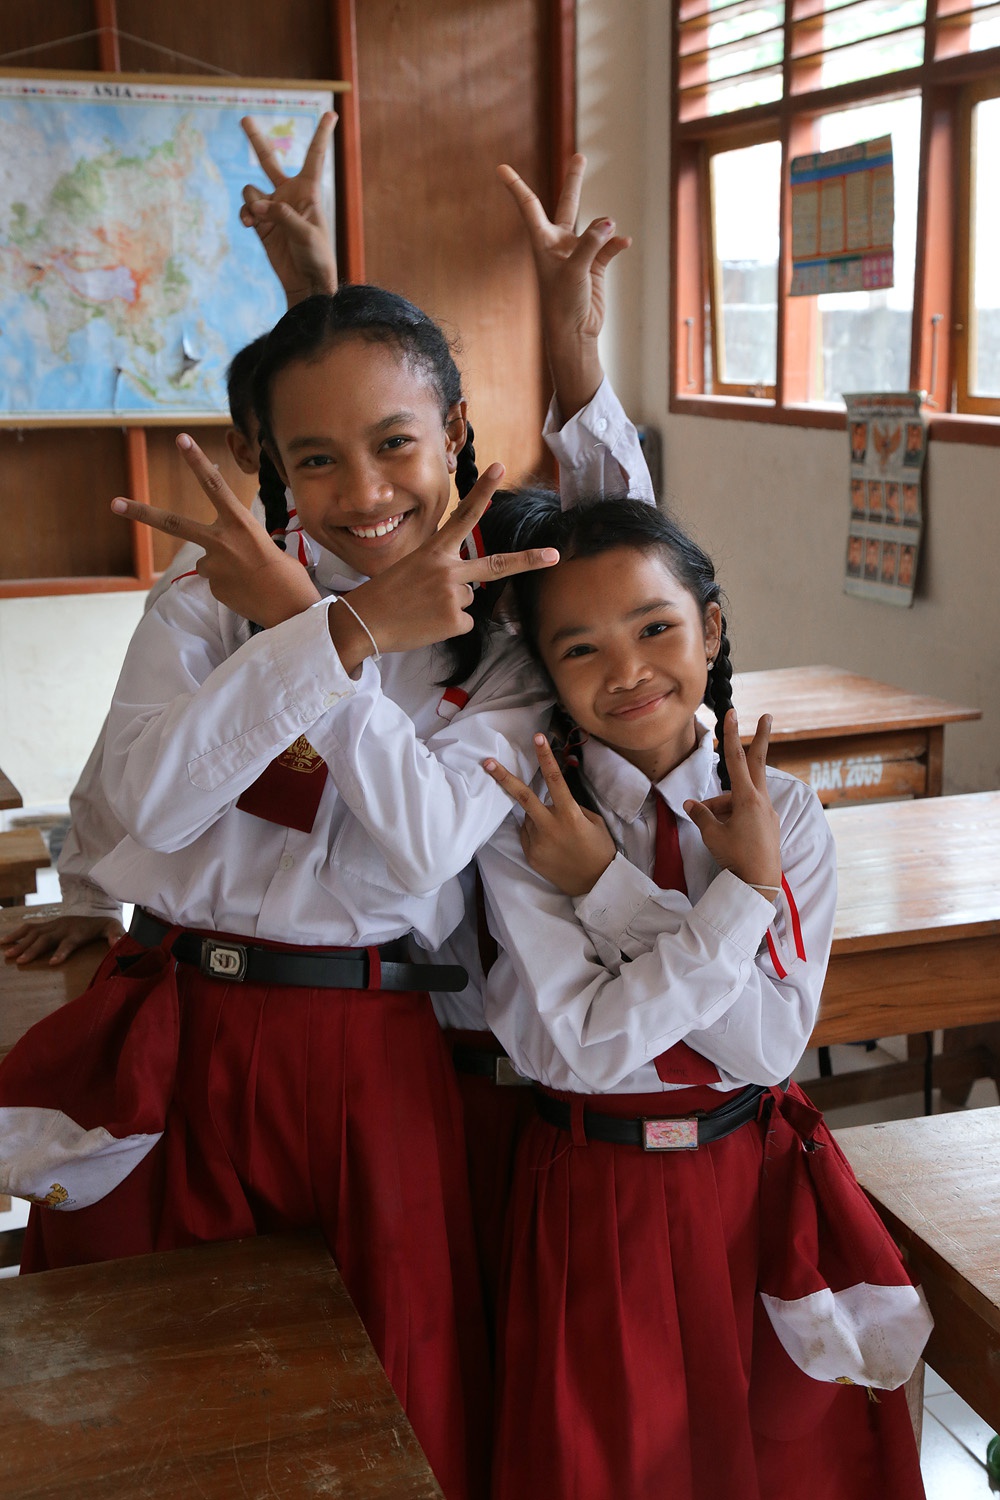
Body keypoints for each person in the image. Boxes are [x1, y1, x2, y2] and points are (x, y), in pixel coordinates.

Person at [0, 160, 649, 1500]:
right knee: (163, 1383)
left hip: (371, 1051)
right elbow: (144, 813)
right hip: (185, 1030)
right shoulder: (205, 599)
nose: (362, 494)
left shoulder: (506, 641)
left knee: (392, 1384)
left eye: (396, 445)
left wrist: (326, 646)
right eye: (314, 459)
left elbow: (420, 848)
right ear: (271, 465)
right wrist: (335, 628)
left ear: (456, 430)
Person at [477, 495, 930, 1500]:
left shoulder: (785, 814)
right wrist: (738, 904)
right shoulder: (526, 823)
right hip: (591, 1189)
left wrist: (607, 892)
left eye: (654, 628)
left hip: (747, 1184)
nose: (629, 671)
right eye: (580, 648)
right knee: (604, 1460)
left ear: (710, 628)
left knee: (777, 1457)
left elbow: (768, 1050)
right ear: (542, 668)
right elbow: (584, 1052)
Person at [0, 334, 269, 968]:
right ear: (251, 450)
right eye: (307, 451)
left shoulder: (439, 580)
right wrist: (90, 894)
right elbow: (127, 740)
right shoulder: (206, 579)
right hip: (214, 944)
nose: (361, 487)